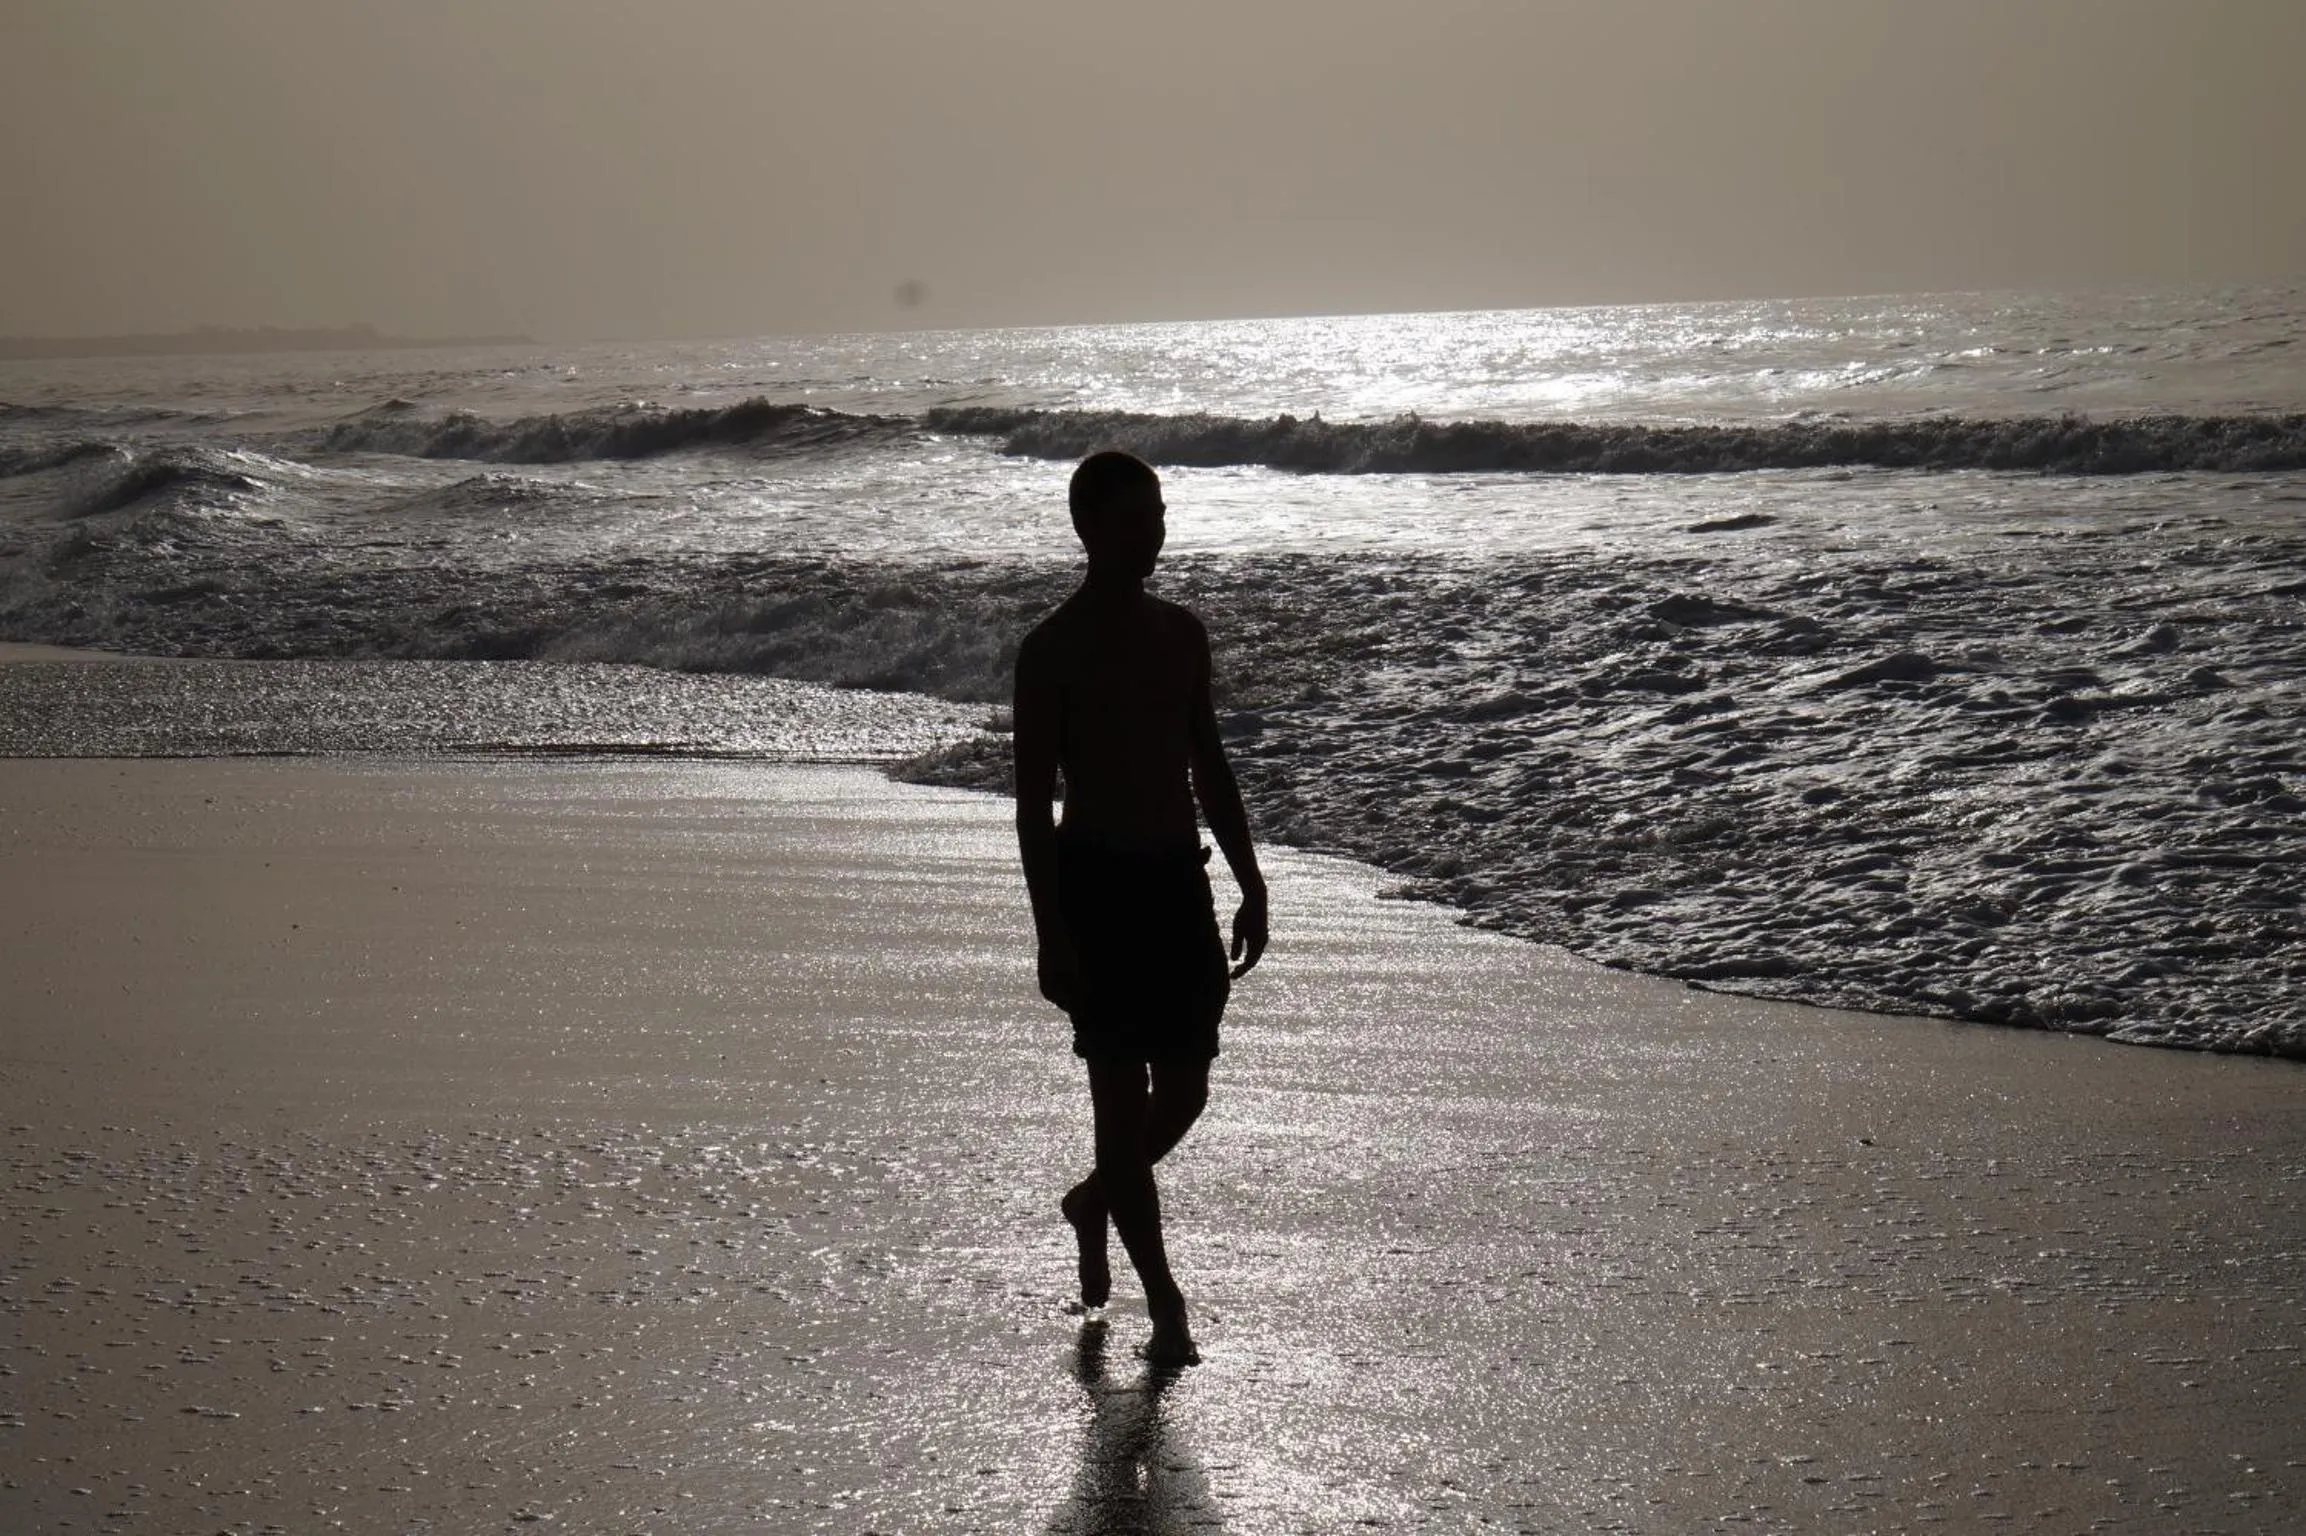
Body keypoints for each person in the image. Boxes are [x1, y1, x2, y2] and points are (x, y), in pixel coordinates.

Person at [1013, 449, 1269, 1367]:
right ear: (1090, 529)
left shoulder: (1183, 634)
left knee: (1189, 1087)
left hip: (1177, 884)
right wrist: (1051, 937)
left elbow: (1210, 765)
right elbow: (1033, 807)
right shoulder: (1051, 653)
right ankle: (1166, 1304)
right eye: (1135, 518)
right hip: (1098, 895)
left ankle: (1094, 1200)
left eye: (1160, 513)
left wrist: (1250, 879)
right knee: (1119, 1108)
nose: (1154, 531)